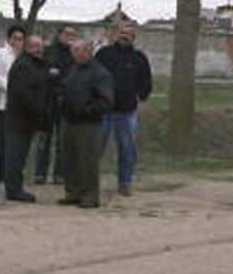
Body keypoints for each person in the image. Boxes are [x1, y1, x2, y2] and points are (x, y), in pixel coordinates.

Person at [96, 21, 152, 196]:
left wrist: (141, 95)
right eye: (122, 33)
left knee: (127, 149)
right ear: (116, 34)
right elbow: (92, 76)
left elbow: (146, 81)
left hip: (127, 112)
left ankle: (125, 183)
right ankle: (90, 181)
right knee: (96, 148)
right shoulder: (103, 54)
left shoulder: (139, 58)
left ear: (133, 37)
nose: (125, 36)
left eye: (129, 34)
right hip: (103, 111)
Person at [58, 40, 114, 209]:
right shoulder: (72, 69)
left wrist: (87, 111)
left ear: (88, 52)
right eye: (73, 51)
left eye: (77, 51)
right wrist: (63, 104)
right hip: (69, 120)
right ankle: (73, 191)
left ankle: (90, 194)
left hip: (89, 124)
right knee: (70, 158)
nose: (73, 54)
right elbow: (63, 88)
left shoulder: (100, 73)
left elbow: (106, 101)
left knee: (87, 160)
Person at [3, 35, 52, 203]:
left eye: (41, 46)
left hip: (28, 119)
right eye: (35, 46)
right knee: (15, 155)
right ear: (28, 48)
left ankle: (15, 187)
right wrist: (37, 112)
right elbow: (23, 95)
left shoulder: (36, 64)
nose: (40, 49)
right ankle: (13, 190)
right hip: (20, 118)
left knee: (20, 155)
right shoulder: (23, 65)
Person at [35, 24, 77, 185]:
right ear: (59, 35)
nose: (70, 37)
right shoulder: (49, 51)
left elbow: (74, 75)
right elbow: (44, 71)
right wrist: (51, 73)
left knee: (63, 141)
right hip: (48, 100)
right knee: (44, 139)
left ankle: (60, 175)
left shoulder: (75, 53)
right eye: (67, 34)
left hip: (66, 101)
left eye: (73, 34)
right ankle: (40, 174)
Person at [0, 24, 26, 181]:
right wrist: (11, 89)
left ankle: (11, 170)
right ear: (9, 39)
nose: (17, 41)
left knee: (13, 140)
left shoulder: (23, 56)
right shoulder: (0, 54)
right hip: (1, 104)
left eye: (21, 39)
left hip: (18, 106)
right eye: (15, 38)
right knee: (1, 139)